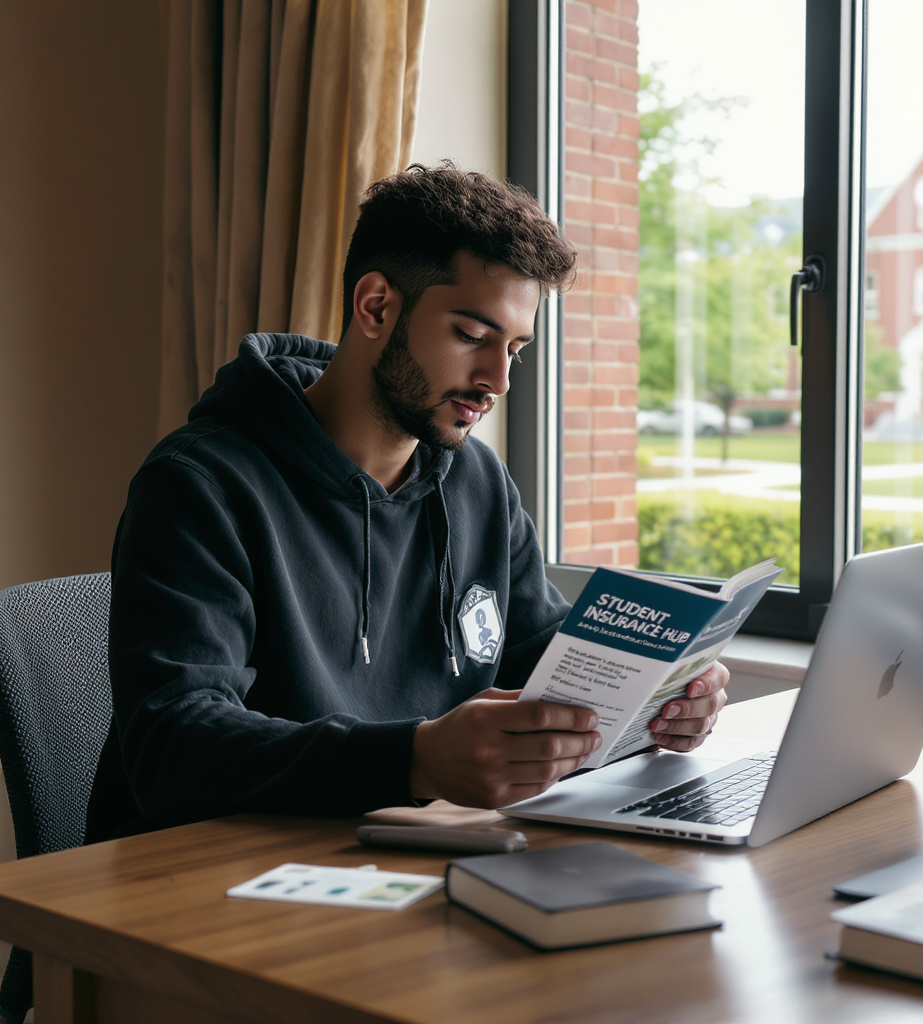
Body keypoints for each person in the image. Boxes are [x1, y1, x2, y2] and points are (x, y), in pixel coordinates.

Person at [85, 162, 728, 842]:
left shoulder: (476, 481)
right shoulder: (199, 484)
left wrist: (659, 699)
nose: (497, 380)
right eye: (472, 336)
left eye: (514, 348)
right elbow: (173, 748)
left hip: (399, 861)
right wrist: (415, 760)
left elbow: (544, 661)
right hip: (209, 882)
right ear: (376, 306)